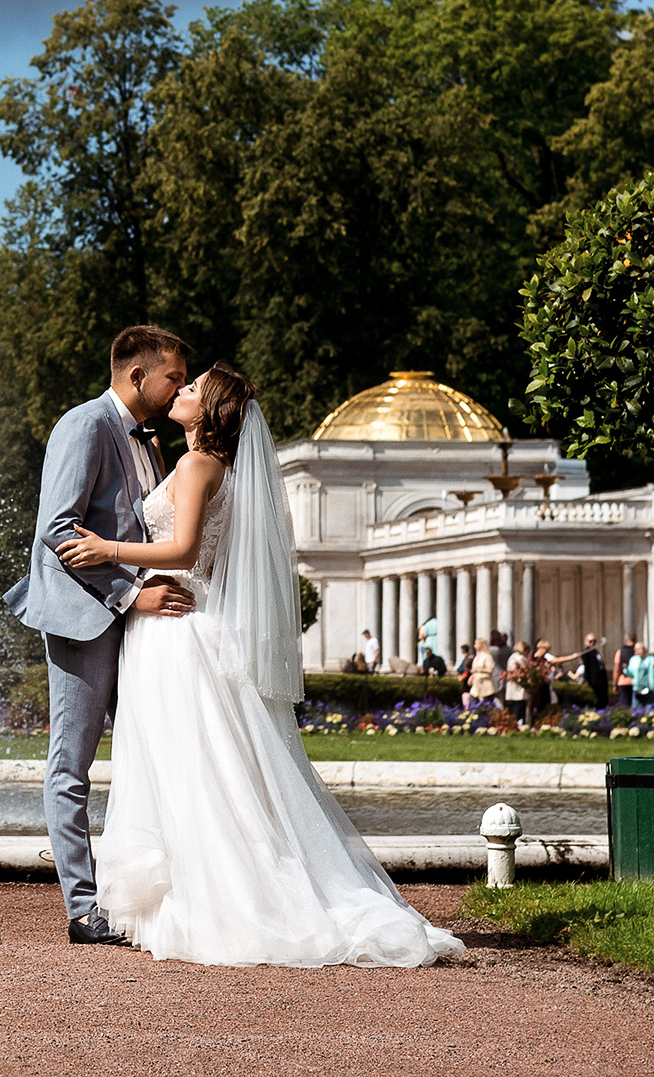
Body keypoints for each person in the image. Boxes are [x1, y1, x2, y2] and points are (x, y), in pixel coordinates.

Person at [55, 360, 463, 966]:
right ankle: (201, 886)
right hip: (177, 623)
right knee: (201, 766)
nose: (182, 390)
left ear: (210, 409)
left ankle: (219, 895)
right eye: (180, 381)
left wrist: (105, 548)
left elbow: (185, 548)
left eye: (191, 388)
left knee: (190, 766)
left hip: (175, 630)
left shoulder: (196, 464)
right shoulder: (207, 464)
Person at [3, 325, 198, 947]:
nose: (179, 388)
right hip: (85, 616)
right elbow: (58, 531)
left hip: (140, 626)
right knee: (73, 764)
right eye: (173, 376)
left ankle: (142, 895)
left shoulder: (153, 442)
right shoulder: (84, 424)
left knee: (151, 754)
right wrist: (130, 593)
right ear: (137, 375)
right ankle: (84, 909)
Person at [625, 641, 654, 709]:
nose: (638, 651)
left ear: (644, 649)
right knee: (635, 711)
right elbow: (631, 674)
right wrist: (625, 670)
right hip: (637, 688)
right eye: (636, 649)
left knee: (649, 710)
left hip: (649, 688)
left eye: (639, 649)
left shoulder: (651, 659)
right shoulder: (633, 660)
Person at [576, 635, 609, 707]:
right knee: (597, 698)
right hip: (594, 679)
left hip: (600, 678)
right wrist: (585, 678)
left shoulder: (595, 651)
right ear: (586, 642)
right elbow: (587, 666)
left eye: (594, 641)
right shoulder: (586, 652)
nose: (592, 643)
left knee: (603, 697)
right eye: (590, 641)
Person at [465, 637, 498, 710]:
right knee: (472, 706)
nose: (474, 646)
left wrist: (478, 670)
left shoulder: (487, 656)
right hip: (476, 686)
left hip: (485, 686)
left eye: (476, 644)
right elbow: (474, 670)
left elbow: (490, 669)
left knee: (486, 708)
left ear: (481, 645)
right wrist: (471, 677)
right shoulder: (477, 656)